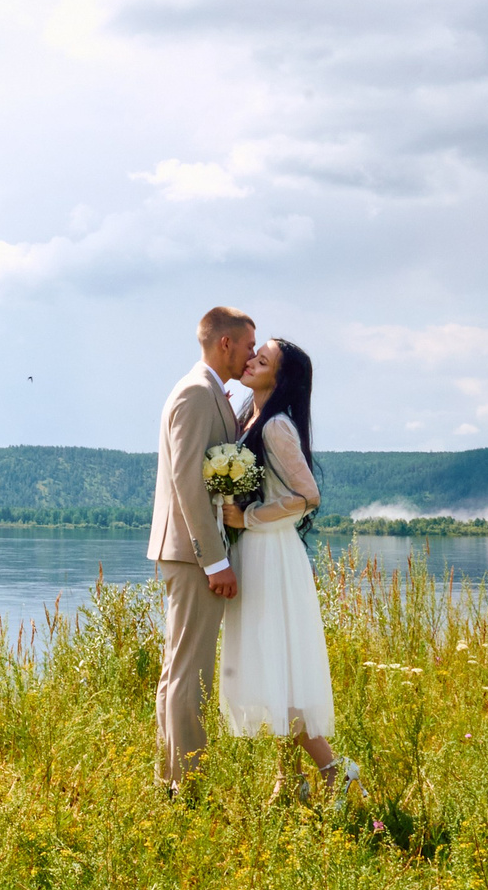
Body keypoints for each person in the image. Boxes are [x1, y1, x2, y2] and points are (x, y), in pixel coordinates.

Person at [218, 337, 358, 801]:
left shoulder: (277, 426)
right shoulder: (248, 417)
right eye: (254, 354)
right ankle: (287, 779)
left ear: (280, 378)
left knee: (278, 661)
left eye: (263, 359)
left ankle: (336, 770)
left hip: (272, 553)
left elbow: (308, 495)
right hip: (255, 552)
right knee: (271, 665)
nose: (252, 361)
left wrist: (249, 517)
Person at [148, 306, 253, 790]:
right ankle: (186, 785)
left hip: (189, 551)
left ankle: (171, 779)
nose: (251, 354)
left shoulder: (212, 391)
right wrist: (215, 559)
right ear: (225, 343)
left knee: (179, 668)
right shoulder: (194, 392)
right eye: (248, 345)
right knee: (190, 671)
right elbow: (188, 481)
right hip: (192, 554)